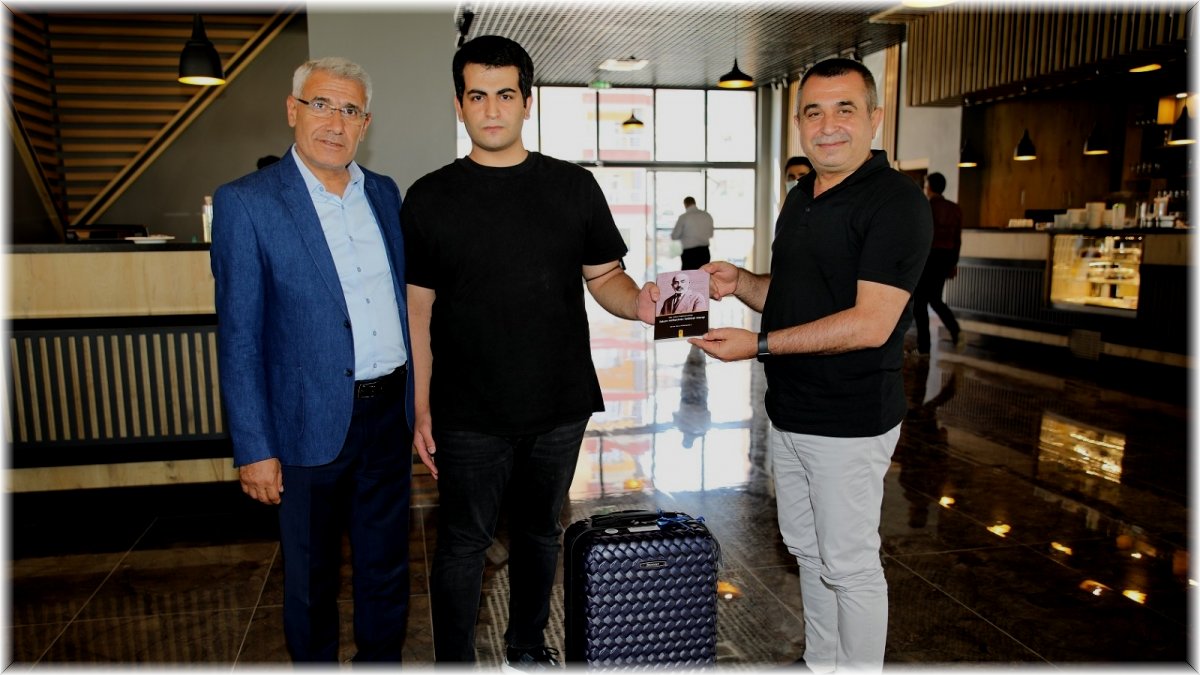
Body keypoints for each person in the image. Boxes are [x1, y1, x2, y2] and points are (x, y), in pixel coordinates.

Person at [400, 35, 656, 668]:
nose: (492, 110)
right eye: (477, 96)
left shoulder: (573, 187)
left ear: (527, 101)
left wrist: (642, 303)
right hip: (467, 409)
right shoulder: (429, 197)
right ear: (459, 104)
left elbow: (606, 278)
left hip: (558, 402)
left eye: (505, 95)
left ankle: (526, 647)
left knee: (541, 531)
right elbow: (417, 311)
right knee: (464, 542)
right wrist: (421, 406)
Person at [688, 57, 932, 672]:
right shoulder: (800, 196)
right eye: (813, 112)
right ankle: (823, 661)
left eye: (845, 109)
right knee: (806, 550)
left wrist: (758, 346)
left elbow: (871, 323)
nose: (828, 126)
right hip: (791, 410)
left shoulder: (895, 202)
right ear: (798, 122)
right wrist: (741, 283)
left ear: (875, 117)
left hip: (850, 416)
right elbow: (796, 295)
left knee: (849, 563)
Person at [209, 57, 414, 663]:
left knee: (386, 570)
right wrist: (254, 447)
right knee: (309, 579)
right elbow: (239, 337)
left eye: (350, 110)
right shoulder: (247, 203)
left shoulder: (384, 193)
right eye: (321, 104)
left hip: (388, 416)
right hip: (303, 425)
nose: (335, 122)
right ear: (292, 110)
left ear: (366, 124)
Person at [913, 171, 964, 355]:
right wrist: (953, 263)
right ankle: (955, 330)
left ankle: (924, 348)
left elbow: (922, 237)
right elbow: (957, 240)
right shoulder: (955, 209)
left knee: (919, 303)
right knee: (934, 299)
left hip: (929, 258)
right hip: (946, 258)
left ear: (929, 188)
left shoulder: (927, 208)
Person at [670, 196, 715, 270]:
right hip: (704, 252)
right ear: (694, 203)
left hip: (689, 254)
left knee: (688, 276)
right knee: (703, 275)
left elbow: (674, 236)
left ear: (685, 204)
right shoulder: (707, 215)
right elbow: (711, 234)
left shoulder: (684, 217)